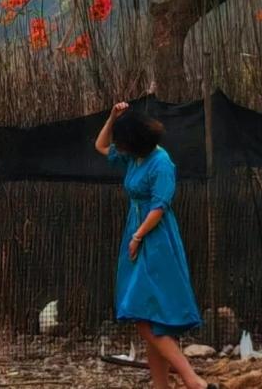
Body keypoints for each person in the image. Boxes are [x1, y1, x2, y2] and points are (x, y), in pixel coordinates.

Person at [95, 101, 218, 389]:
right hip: (135, 233)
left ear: (135, 142)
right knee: (150, 317)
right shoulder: (132, 157)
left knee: (142, 315)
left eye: (122, 142)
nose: (118, 147)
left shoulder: (162, 163)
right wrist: (112, 118)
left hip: (155, 238)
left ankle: (193, 380)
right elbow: (100, 146)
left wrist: (138, 236)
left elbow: (159, 206)